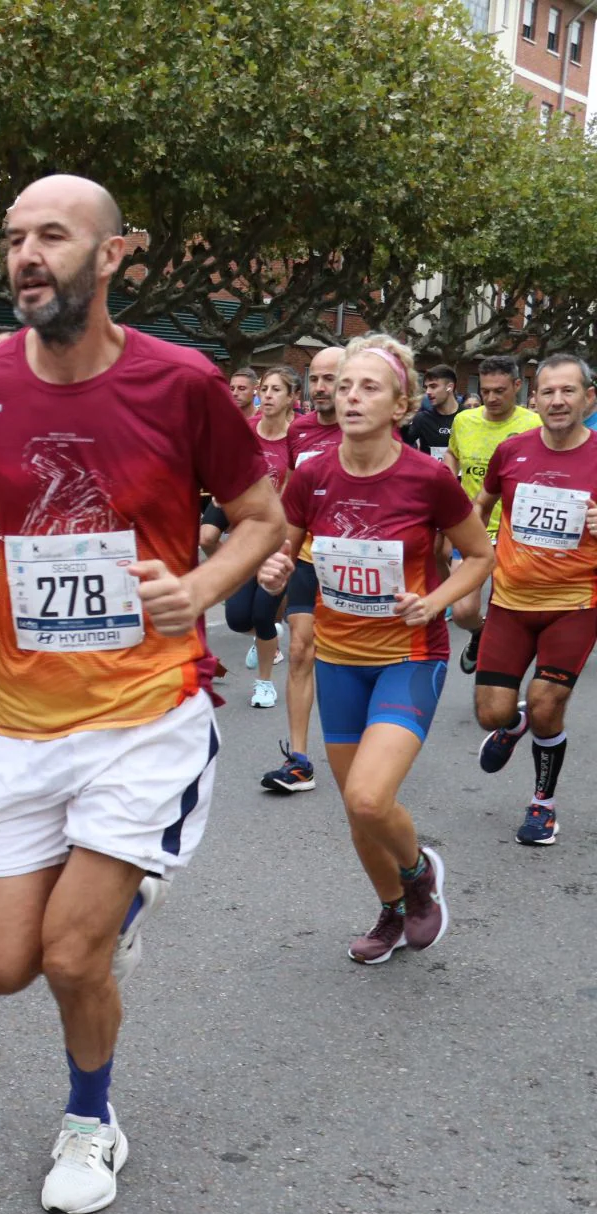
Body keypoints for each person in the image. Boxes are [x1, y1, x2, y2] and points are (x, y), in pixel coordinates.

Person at [0, 175, 284, 1214]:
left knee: (70, 950)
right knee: (2, 964)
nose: (27, 254)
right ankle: (121, 897)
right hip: (22, 711)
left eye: (53, 235)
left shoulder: (183, 382)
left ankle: (90, 1119)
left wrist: (202, 587)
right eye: (13, 238)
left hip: (145, 709)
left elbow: (263, 515)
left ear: (115, 255)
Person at [256, 334, 492, 963]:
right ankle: (390, 910)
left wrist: (435, 601)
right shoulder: (312, 475)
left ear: (400, 404)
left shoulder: (427, 480)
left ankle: (419, 880)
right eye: (344, 385)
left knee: (368, 795)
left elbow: (479, 556)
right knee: (358, 810)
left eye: (369, 387)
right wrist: (275, 569)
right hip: (338, 658)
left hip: (410, 656)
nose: (350, 396)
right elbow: (285, 544)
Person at [469, 352, 597, 847]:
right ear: (535, 398)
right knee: (490, 714)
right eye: (548, 391)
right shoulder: (513, 450)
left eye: (569, 391)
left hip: (576, 604)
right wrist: (465, 555)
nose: (558, 400)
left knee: (548, 704)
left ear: (589, 398)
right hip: (509, 601)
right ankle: (514, 722)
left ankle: (542, 804)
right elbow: (480, 507)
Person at [260, 345, 345, 795]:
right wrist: (282, 549)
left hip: (356, 563)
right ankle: (299, 759)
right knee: (298, 651)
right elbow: (294, 492)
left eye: (331, 378)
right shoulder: (302, 430)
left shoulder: (369, 429)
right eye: (315, 378)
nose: (321, 387)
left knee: (348, 659)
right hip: (310, 556)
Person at [447, 354, 543, 674]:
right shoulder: (464, 421)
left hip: (517, 531)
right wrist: (447, 481)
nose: (490, 398)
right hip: (472, 524)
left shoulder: (535, 425)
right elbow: (452, 455)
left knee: (514, 611)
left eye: (499, 390)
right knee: (462, 610)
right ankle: (479, 631)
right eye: (485, 390)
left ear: (517, 386)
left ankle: (505, 670)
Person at [222, 366, 299, 710]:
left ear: (291, 398)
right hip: (245, 536)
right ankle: (265, 638)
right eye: (264, 388)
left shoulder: (296, 438)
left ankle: (264, 684)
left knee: (263, 613)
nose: (267, 395)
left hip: (278, 540)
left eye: (276, 390)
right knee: (238, 618)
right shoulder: (246, 430)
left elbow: (295, 490)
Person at [406, 364, 460, 461]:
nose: (428, 392)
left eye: (433, 386)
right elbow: (402, 444)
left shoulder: (468, 416)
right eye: (426, 387)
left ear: (450, 387)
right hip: (430, 475)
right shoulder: (422, 419)